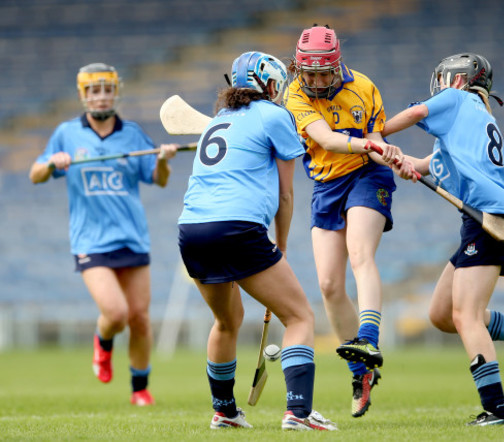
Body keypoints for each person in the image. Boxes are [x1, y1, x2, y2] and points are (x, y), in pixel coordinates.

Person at [382, 53, 504, 426]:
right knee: (442, 315)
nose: (440, 88)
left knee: (465, 315)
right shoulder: (471, 122)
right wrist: (391, 157)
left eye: (445, 79)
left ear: (460, 80)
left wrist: (376, 132)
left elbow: (414, 115)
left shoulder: (458, 100)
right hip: (478, 220)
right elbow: (420, 166)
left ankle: (496, 409)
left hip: (490, 217)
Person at [177, 51, 337, 431]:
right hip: (237, 230)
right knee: (299, 316)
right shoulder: (276, 116)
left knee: (227, 320)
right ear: (268, 84)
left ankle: (225, 412)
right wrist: (280, 245)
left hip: (192, 230)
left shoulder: (219, 119)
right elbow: (285, 195)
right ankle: (298, 413)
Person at [29, 62, 180, 406]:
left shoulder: (133, 134)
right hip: (91, 240)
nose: (101, 98)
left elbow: (159, 179)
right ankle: (103, 341)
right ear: (84, 95)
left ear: (116, 93)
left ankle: (140, 389)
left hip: (132, 236)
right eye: (93, 91)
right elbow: (35, 174)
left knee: (140, 318)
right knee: (116, 314)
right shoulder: (66, 134)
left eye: (107, 90)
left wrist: (165, 159)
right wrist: (54, 162)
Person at [284, 24, 405, 418]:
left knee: (359, 253)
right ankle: (361, 373)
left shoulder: (365, 87)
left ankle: (368, 337)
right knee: (329, 285)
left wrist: (385, 152)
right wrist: (368, 142)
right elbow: (328, 139)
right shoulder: (295, 95)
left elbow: (373, 143)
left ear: (337, 65)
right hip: (326, 185)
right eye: (310, 73)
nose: (317, 81)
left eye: (323, 72)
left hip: (366, 176)